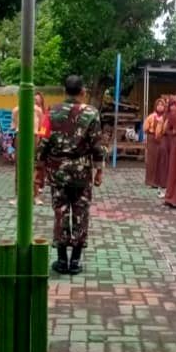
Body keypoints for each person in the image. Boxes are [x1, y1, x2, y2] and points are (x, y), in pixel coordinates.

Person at [39, 75, 107, 276]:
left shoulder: (51, 112)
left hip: (57, 171)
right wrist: (99, 171)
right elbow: (97, 145)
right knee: (81, 213)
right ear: (82, 91)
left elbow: (43, 142)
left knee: (60, 212)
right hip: (81, 172)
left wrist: (39, 169)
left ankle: (61, 261)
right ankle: (75, 261)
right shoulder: (91, 113)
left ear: (64, 91)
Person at [11, 90, 50, 206]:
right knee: (19, 167)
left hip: (34, 137)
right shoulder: (16, 110)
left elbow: (42, 127)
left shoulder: (38, 110)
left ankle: (36, 195)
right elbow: (14, 126)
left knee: (34, 166)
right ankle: (19, 196)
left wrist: (41, 139)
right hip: (21, 136)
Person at [144, 98, 167, 190]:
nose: (160, 107)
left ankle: (163, 181)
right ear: (155, 106)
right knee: (152, 160)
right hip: (152, 139)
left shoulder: (166, 117)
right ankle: (151, 181)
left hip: (162, 139)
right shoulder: (151, 116)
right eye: (158, 105)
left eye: (162, 105)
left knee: (162, 160)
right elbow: (145, 128)